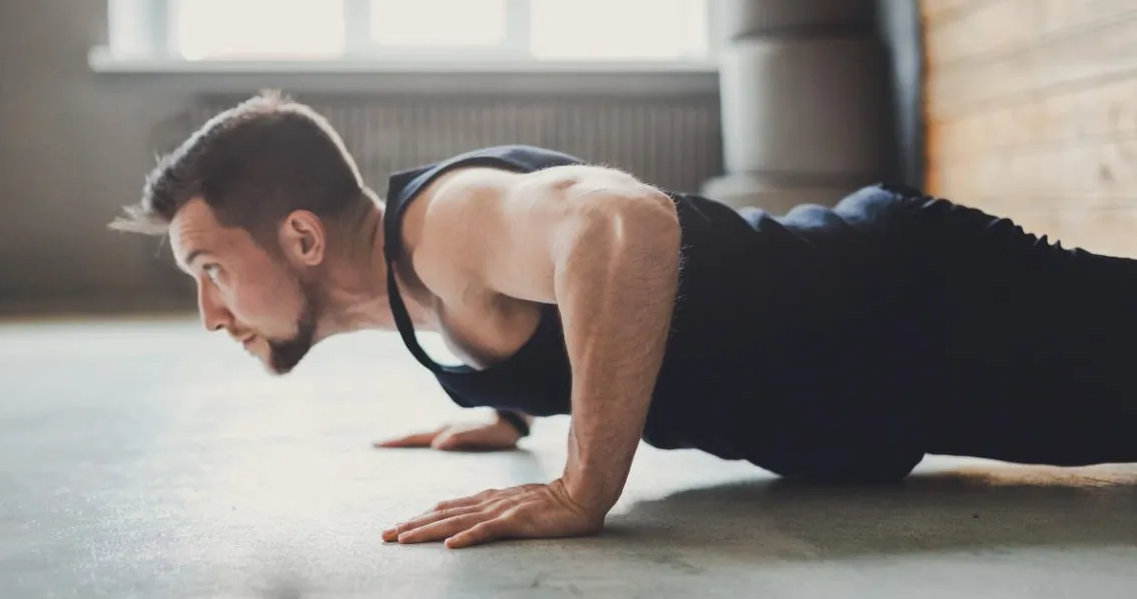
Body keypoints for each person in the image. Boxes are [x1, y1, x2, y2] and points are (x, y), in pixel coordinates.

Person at [109, 91, 1137, 549]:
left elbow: (625, 225)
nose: (208, 313)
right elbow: (533, 311)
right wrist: (507, 413)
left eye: (209, 268)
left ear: (298, 239)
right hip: (891, 389)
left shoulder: (449, 222)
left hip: (918, 308)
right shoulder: (408, 288)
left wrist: (582, 486)